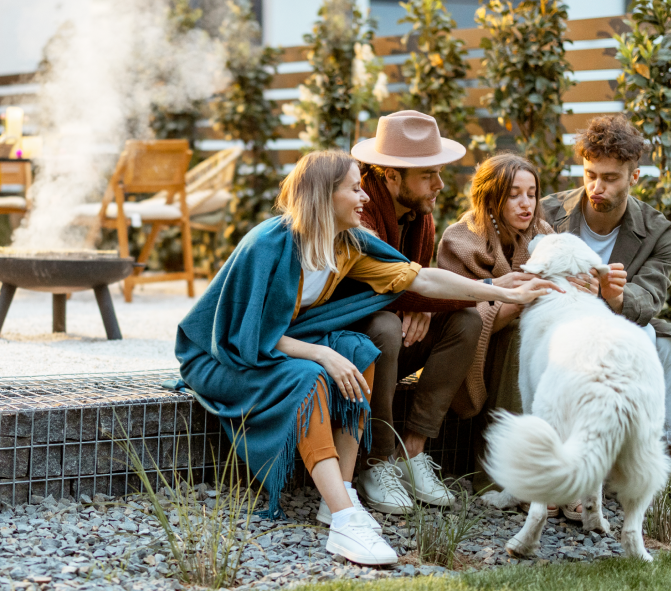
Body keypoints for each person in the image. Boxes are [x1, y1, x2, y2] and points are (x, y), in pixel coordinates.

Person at [175, 150, 560, 566]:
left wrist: (503, 291)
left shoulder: (348, 246)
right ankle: (344, 520)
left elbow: (424, 278)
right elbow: (241, 336)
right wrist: (322, 353)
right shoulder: (270, 244)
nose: (364, 198)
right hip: (221, 359)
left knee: (359, 350)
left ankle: (339, 494)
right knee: (311, 377)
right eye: (354, 188)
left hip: (273, 346)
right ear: (325, 195)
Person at [541, 114, 671, 521]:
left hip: (626, 322)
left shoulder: (658, 231)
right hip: (560, 326)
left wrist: (615, 296)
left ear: (634, 176)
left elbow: (650, 297)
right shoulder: (548, 212)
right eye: (590, 174)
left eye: (611, 178)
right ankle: (578, 475)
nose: (597, 187)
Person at [346, 110, 488, 515]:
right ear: (391, 176)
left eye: (439, 173)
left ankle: (412, 451)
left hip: (388, 339)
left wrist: (421, 303)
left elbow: (416, 280)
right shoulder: (359, 209)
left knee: (467, 321)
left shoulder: (418, 214)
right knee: (386, 325)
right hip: (347, 345)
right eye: (428, 175)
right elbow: (381, 288)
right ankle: (376, 462)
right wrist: (419, 300)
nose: (440, 185)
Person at [435, 153, 569, 514]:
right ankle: (508, 477)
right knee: (516, 339)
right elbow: (456, 316)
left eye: (531, 193)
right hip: (474, 350)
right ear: (491, 197)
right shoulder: (460, 240)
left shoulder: (544, 235)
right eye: (514, 194)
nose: (526, 204)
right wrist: (514, 300)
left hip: (539, 344)